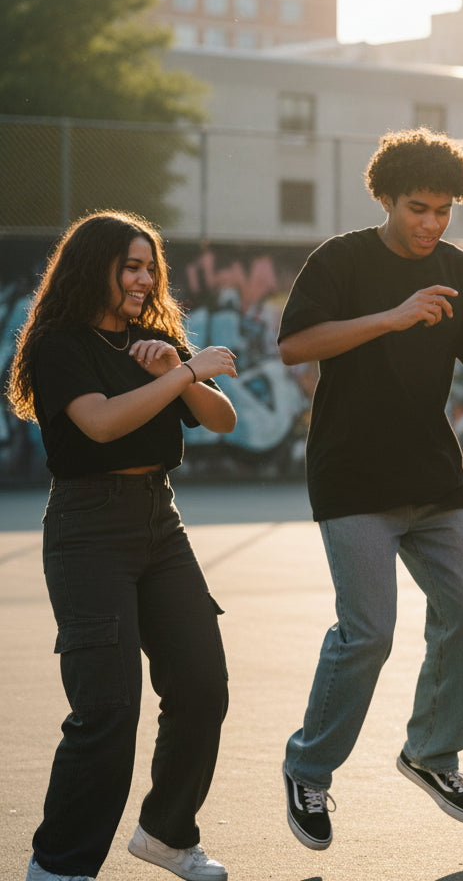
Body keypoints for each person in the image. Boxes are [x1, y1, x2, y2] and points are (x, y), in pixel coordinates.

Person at [277, 125, 463, 851]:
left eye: (444, 210)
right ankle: (310, 766)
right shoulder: (342, 260)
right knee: (369, 634)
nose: (431, 223)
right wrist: (390, 316)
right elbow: (296, 345)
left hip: (431, 477)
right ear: (385, 197)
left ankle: (432, 752)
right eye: (418, 207)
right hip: (351, 476)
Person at [6, 211, 239, 881]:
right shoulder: (59, 343)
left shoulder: (155, 342)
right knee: (107, 710)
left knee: (201, 687)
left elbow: (220, 420)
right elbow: (101, 424)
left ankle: (168, 835)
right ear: (94, 267)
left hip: (158, 524)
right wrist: (180, 372)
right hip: (88, 531)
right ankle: (58, 866)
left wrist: (179, 368)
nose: (142, 280)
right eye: (130, 267)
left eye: (149, 268)